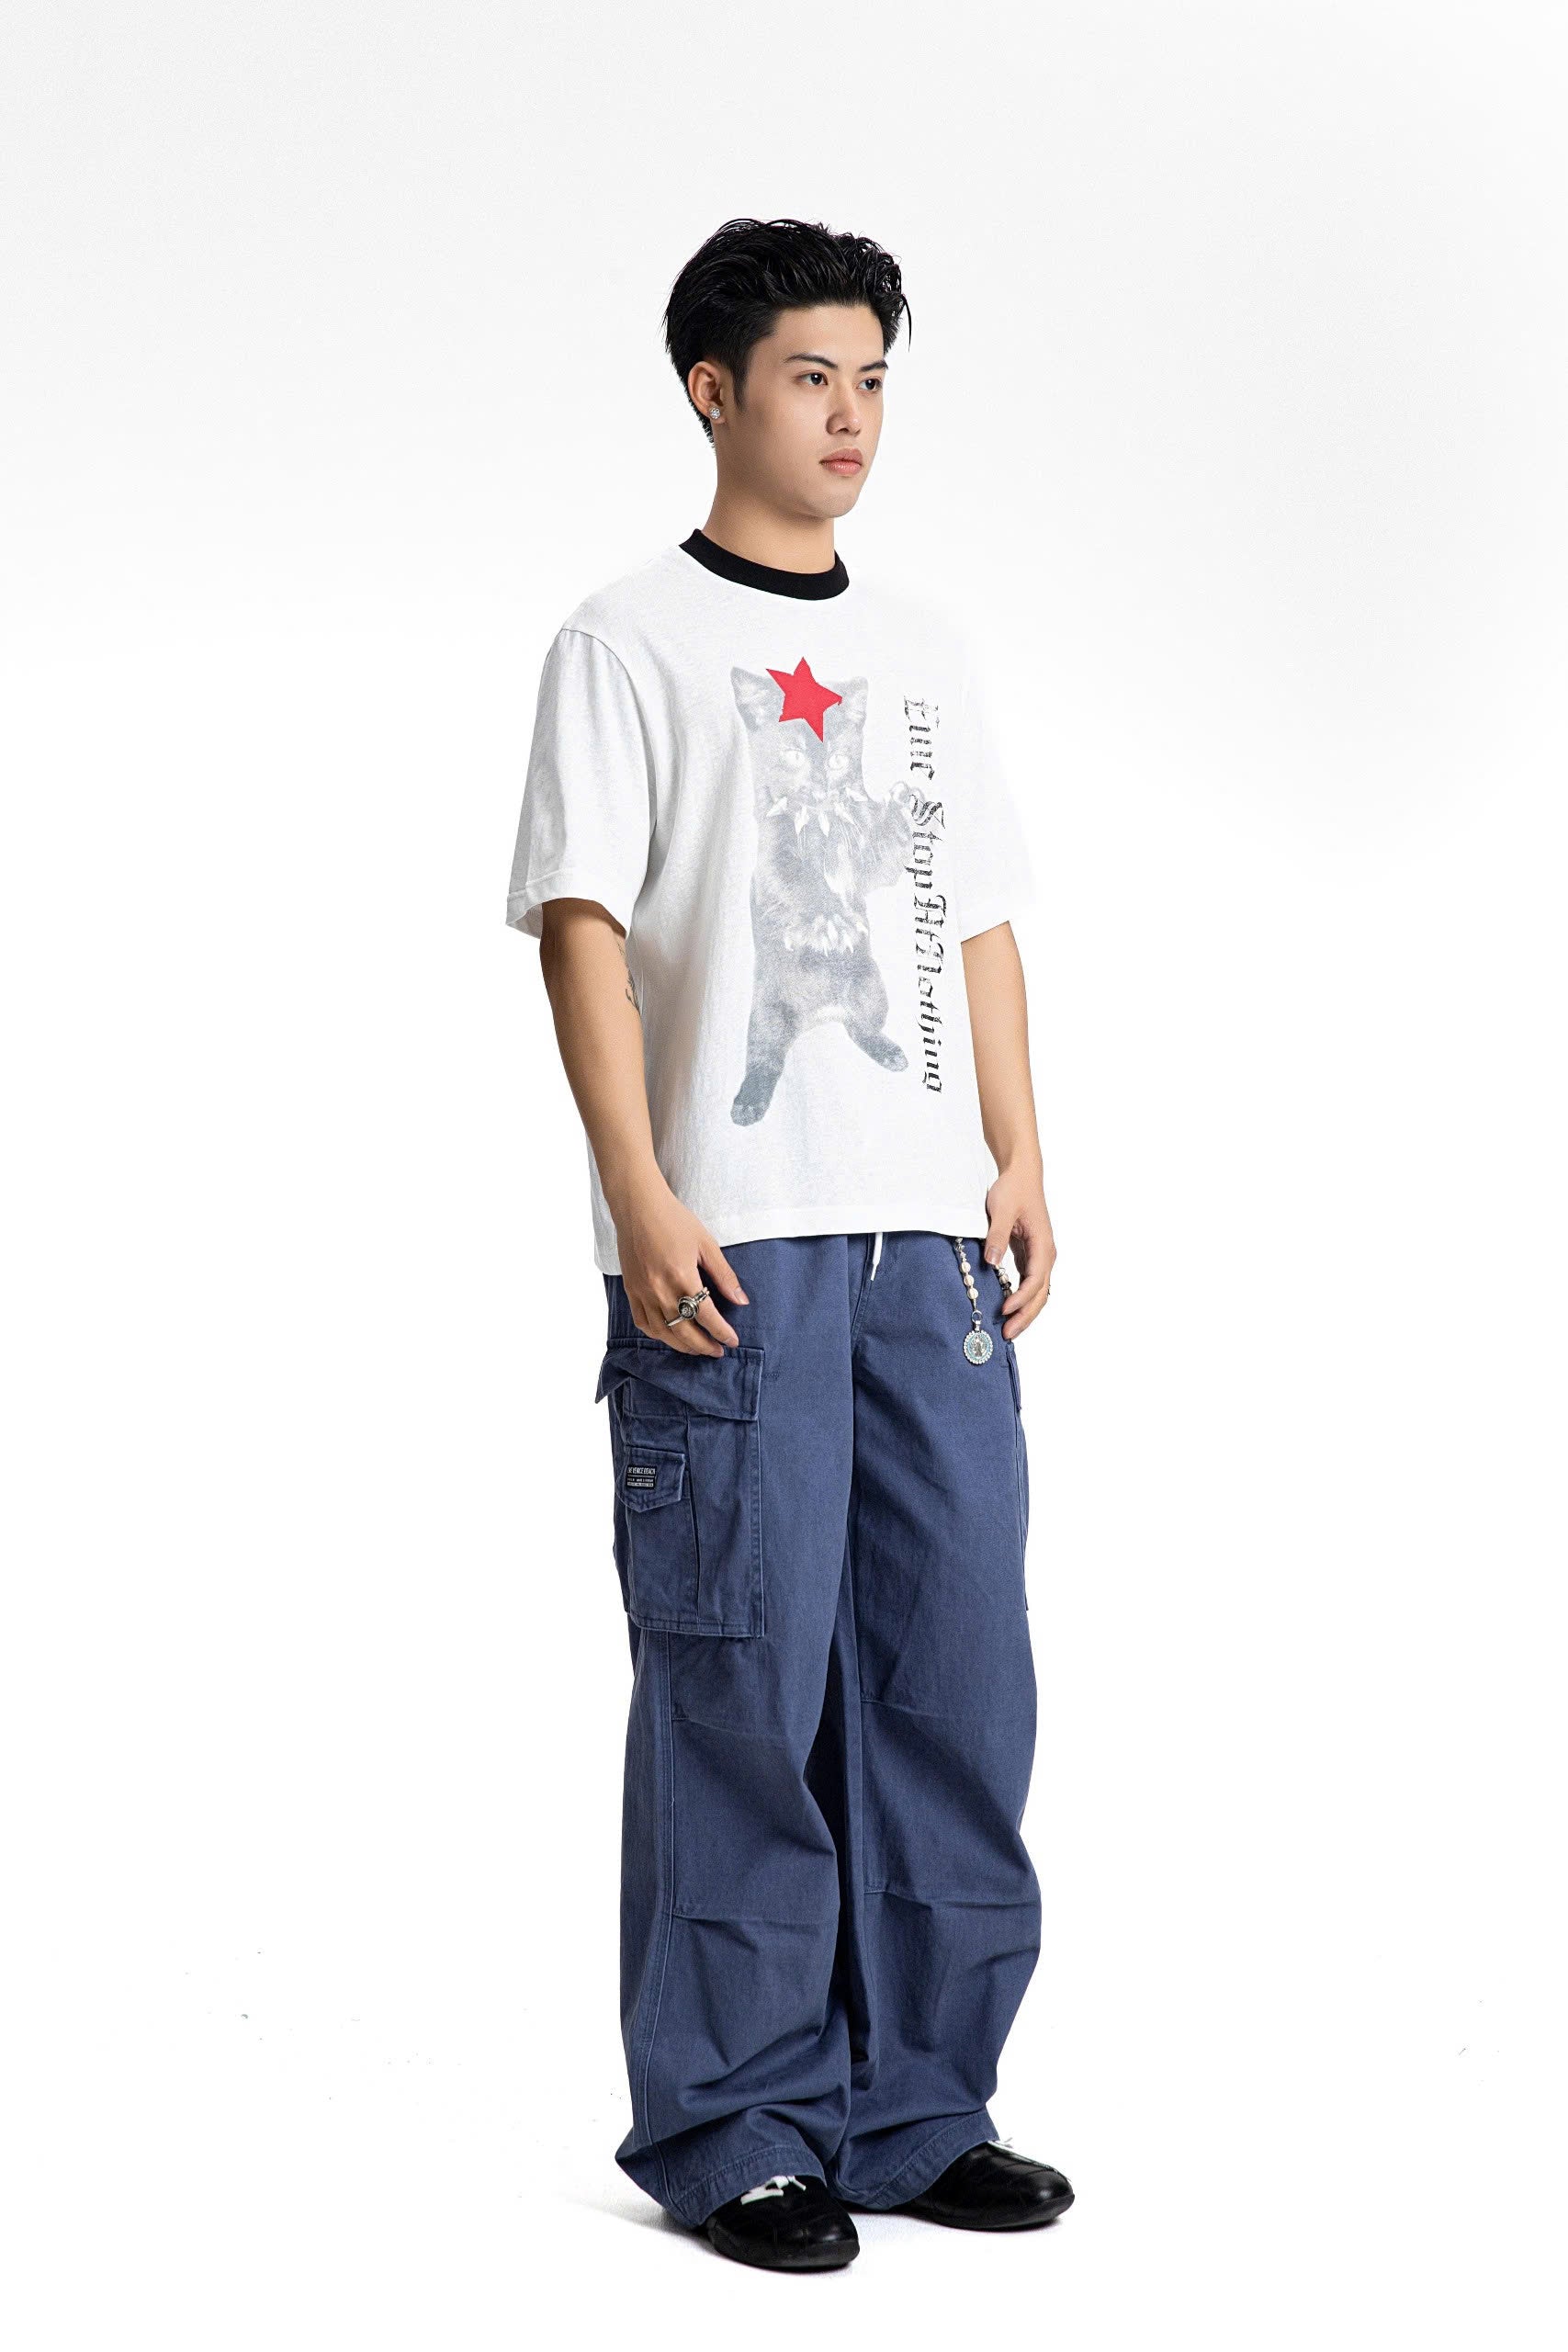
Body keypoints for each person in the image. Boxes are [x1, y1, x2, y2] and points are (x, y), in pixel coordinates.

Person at [504, 215, 1073, 2272]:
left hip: (927, 1249)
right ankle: (737, 2118)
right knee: (738, 1682)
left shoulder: (923, 645)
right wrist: (636, 1188)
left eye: (872, 380)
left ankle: (918, 2106)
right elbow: (582, 927)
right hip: (730, 1246)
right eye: (811, 377)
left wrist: (1018, 1150)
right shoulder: (625, 640)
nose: (849, 417)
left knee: (951, 1680)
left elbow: (978, 916)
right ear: (713, 392)